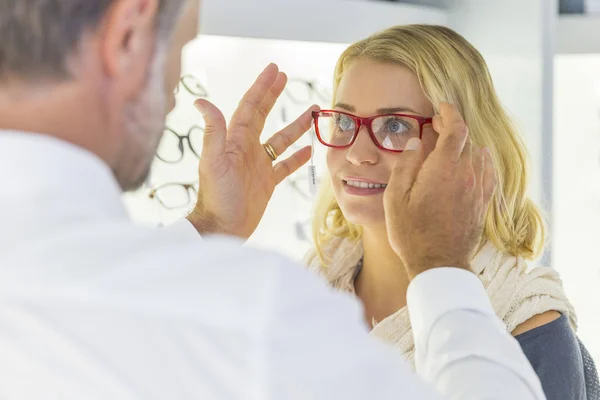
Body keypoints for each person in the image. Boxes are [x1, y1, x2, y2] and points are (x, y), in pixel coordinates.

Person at [0, 1, 546, 399]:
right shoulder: (265, 318)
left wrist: (210, 223)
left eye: (396, 124)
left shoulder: (529, 318)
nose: (173, 93)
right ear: (128, 32)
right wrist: (440, 267)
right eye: (181, 49)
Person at [305, 24, 596, 400]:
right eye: (344, 121)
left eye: (395, 125)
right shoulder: (309, 283)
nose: (359, 153)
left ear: (463, 148)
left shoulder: (527, 327)